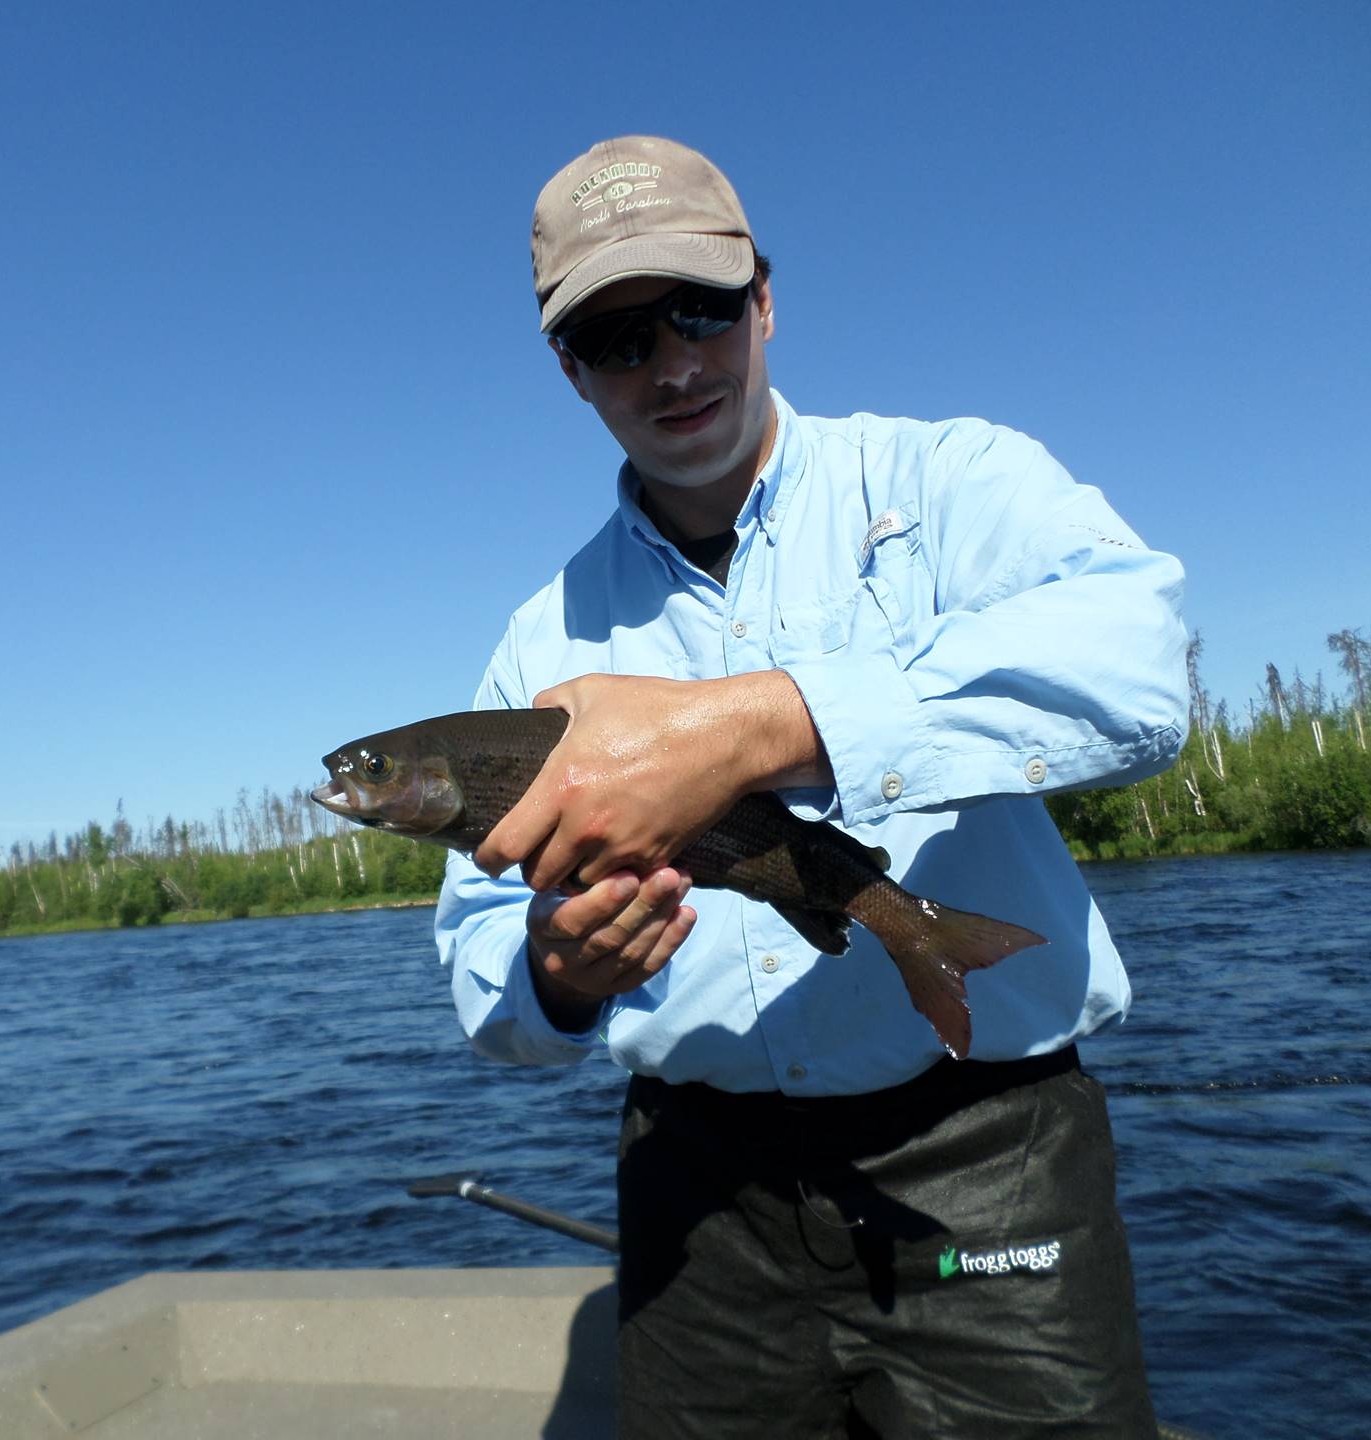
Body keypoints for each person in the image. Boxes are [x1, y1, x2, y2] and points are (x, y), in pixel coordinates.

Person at [433, 135, 1187, 1439]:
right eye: (617, 336)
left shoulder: (950, 482)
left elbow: (1143, 666)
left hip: (990, 1164)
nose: (672, 362)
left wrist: (750, 728)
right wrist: (560, 975)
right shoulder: (536, 646)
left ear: (764, 304)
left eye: (700, 309)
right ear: (571, 371)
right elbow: (482, 962)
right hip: (695, 1199)